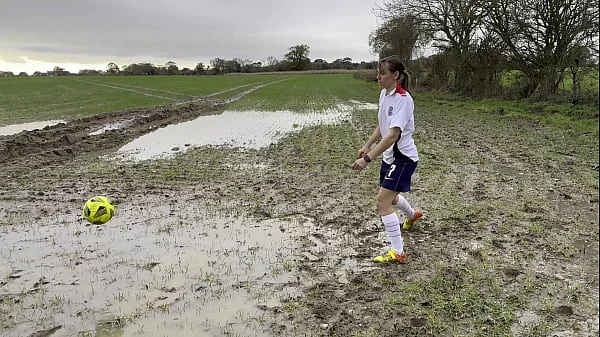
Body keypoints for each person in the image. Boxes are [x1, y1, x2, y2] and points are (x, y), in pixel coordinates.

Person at [352, 56, 423, 264]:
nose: (378, 77)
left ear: (396, 76)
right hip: (389, 156)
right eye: (377, 73)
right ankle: (412, 215)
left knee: (382, 201)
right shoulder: (384, 95)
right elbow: (382, 126)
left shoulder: (403, 99)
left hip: (404, 158)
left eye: (382, 73)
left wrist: (368, 158)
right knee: (390, 198)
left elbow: (392, 135)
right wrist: (367, 145)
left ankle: (398, 252)